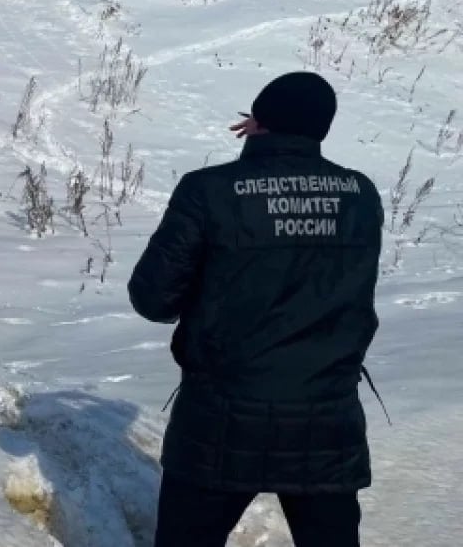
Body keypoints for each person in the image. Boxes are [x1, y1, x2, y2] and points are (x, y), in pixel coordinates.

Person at [127, 71, 385, 547]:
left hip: (221, 412)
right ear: (321, 129)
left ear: (257, 120)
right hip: (325, 415)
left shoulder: (209, 190)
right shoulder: (360, 195)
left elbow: (153, 297)